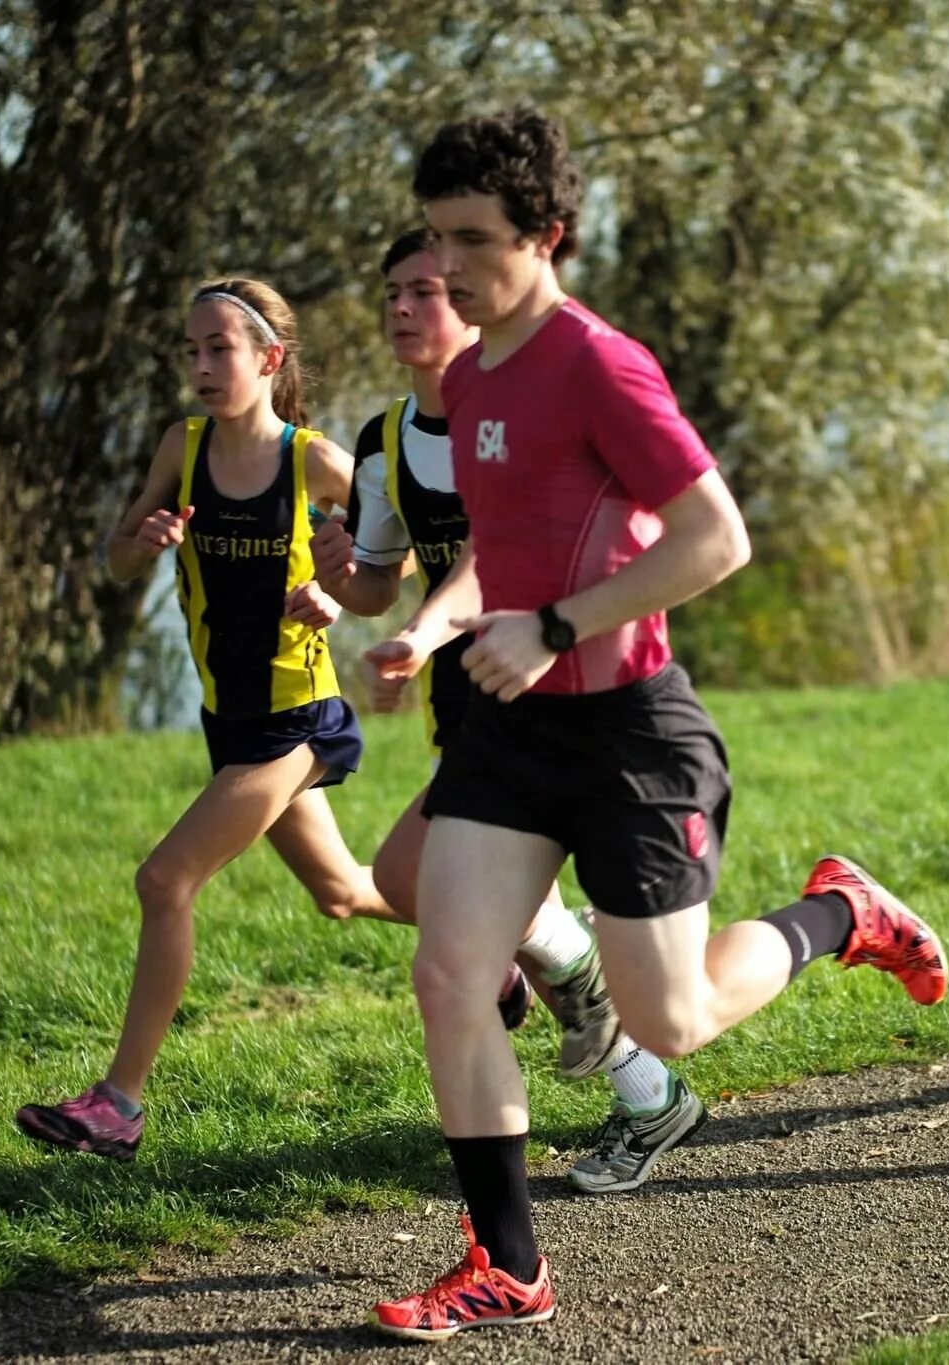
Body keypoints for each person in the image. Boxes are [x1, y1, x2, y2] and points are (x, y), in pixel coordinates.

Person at [365, 110, 949, 1341]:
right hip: (509, 726)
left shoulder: (600, 365)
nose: (450, 267)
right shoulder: (469, 379)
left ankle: (843, 913)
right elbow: (490, 557)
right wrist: (430, 633)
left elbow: (713, 541)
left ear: (548, 236)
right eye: (435, 238)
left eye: (473, 241)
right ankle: (508, 1267)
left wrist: (561, 622)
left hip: (629, 731)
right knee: (449, 970)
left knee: (671, 1020)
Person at [309, 227, 707, 1194]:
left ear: (475, 297)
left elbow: (501, 558)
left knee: (422, 887)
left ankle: (621, 1046)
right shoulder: (382, 441)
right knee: (421, 893)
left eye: (427, 291)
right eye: (392, 291)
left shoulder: (529, 412)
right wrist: (342, 588)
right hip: (472, 703)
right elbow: (378, 575)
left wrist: (441, 624)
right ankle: (622, 1057)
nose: (404, 308)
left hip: (571, 694)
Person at [17, 279, 388, 1160]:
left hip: (299, 718)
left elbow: (380, 574)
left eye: (217, 349)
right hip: (229, 719)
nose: (199, 367)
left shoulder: (317, 462)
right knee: (342, 892)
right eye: (189, 351)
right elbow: (111, 560)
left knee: (163, 881)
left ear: (269, 359)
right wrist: (136, 544)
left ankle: (118, 1106)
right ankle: (507, 942)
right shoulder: (181, 450)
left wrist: (336, 600)